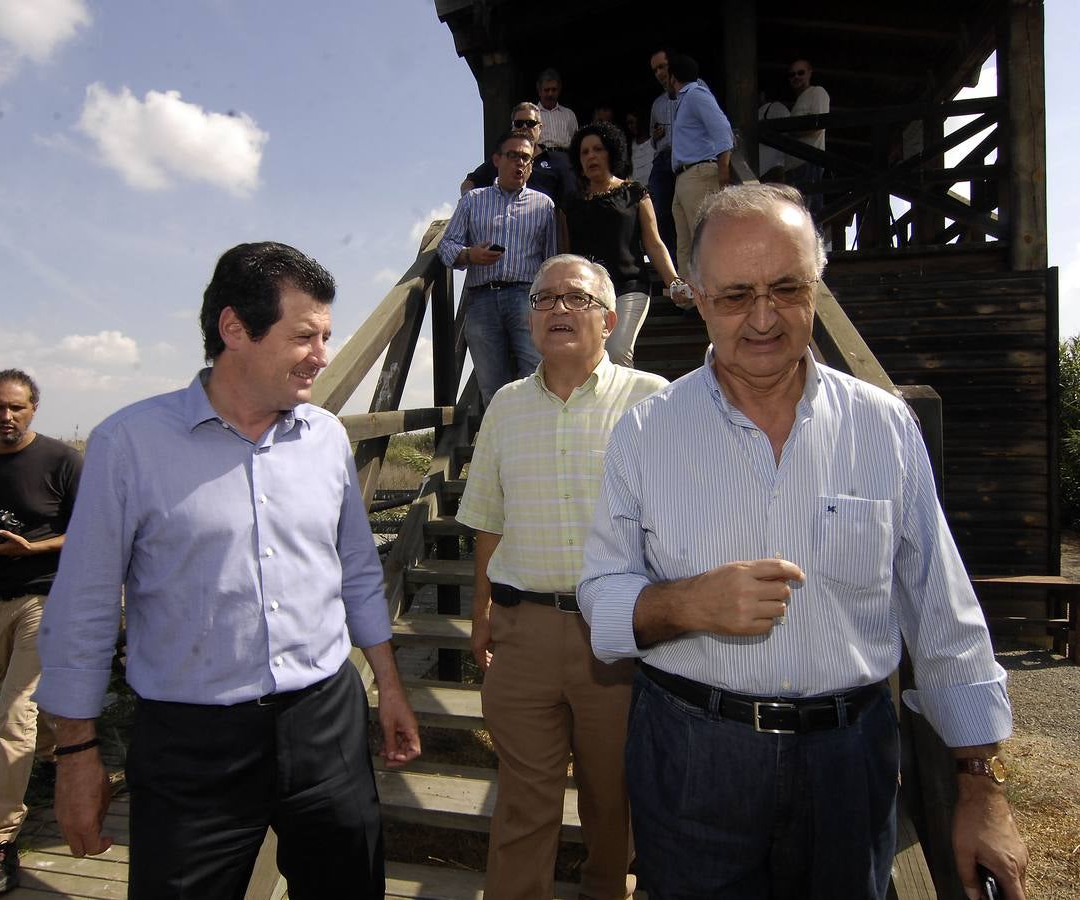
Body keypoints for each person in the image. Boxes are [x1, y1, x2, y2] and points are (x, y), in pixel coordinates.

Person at [578, 184, 1029, 900]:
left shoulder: (883, 428)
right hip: (693, 758)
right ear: (695, 296)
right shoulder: (643, 432)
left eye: (785, 288)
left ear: (815, 285)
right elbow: (600, 601)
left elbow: (941, 614)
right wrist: (685, 604)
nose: (762, 318)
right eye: (733, 296)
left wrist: (982, 785)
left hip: (851, 763)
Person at [35, 242, 422, 899]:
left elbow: (356, 566)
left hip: (326, 722)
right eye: (305, 336)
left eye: (326, 336)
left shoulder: (326, 438)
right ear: (235, 330)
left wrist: (388, 684)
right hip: (192, 747)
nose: (322, 356)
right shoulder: (128, 444)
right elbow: (84, 606)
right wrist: (75, 754)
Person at [458, 254, 667, 900]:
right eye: (543, 299)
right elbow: (488, 517)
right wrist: (482, 608)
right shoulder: (506, 405)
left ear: (608, 320)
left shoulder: (652, 401)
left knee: (613, 797)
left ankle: (607, 888)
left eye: (574, 299)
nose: (555, 309)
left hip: (614, 639)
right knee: (524, 800)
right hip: (521, 636)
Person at [0, 369, 81, 898]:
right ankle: (55, 754)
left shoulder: (63, 461)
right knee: (25, 714)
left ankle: (0, 838)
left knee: (14, 711)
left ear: (34, 407)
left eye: (16, 407)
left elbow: (92, 528)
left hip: (43, 597)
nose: (6, 417)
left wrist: (32, 548)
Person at [439, 131, 557, 405]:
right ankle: (502, 445)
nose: (520, 163)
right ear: (496, 159)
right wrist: (469, 254)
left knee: (537, 375)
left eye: (526, 158)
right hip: (481, 299)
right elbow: (446, 246)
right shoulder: (473, 200)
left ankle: (535, 442)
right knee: (492, 385)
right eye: (513, 155)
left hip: (527, 298)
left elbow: (551, 261)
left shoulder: (544, 205)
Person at [565, 121, 684, 367]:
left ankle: (628, 407)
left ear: (611, 152)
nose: (591, 156)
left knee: (617, 352)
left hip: (630, 286)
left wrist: (674, 281)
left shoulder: (634, 192)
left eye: (598, 149)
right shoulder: (571, 203)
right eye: (585, 152)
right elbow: (565, 254)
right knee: (590, 360)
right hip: (588, 293)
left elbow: (654, 243)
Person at [668, 53, 734, 280]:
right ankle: (692, 300)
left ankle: (713, 294)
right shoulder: (685, 99)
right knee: (685, 242)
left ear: (672, 77)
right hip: (685, 177)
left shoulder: (696, 94)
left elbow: (723, 130)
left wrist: (724, 171)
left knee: (703, 238)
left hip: (699, 173)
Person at [459, 102, 576, 208]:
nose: (524, 127)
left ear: (540, 128)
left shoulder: (560, 161)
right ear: (512, 128)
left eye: (530, 123)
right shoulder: (501, 159)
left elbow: (572, 198)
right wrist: (468, 201)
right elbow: (470, 182)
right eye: (519, 123)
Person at [784, 58, 830, 215]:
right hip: (793, 167)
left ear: (810, 72)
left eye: (800, 72)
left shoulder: (817, 92)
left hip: (808, 163)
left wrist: (791, 132)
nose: (796, 76)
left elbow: (817, 125)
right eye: (792, 74)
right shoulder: (799, 101)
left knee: (809, 216)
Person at [647, 49, 677, 262]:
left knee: (685, 213)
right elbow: (652, 138)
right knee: (660, 212)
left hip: (686, 159)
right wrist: (655, 136)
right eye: (655, 69)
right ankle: (672, 263)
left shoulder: (694, 90)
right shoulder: (657, 103)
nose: (659, 73)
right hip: (662, 159)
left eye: (662, 66)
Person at [536, 68, 579, 151]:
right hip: (541, 158)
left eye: (554, 90)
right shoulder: (531, 115)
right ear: (539, 90)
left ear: (559, 90)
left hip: (565, 158)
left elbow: (576, 142)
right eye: (546, 90)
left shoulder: (569, 114)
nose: (550, 94)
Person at [757, 90, 791, 183]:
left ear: (762, 95)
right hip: (762, 169)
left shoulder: (776, 108)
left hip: (773, 167)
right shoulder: (758, 112)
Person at [623, 111, 654, 186]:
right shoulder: (629, 146)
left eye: (632, 122)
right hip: (636, 192)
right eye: (628, 124)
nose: (630, 126)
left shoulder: (654, 140)